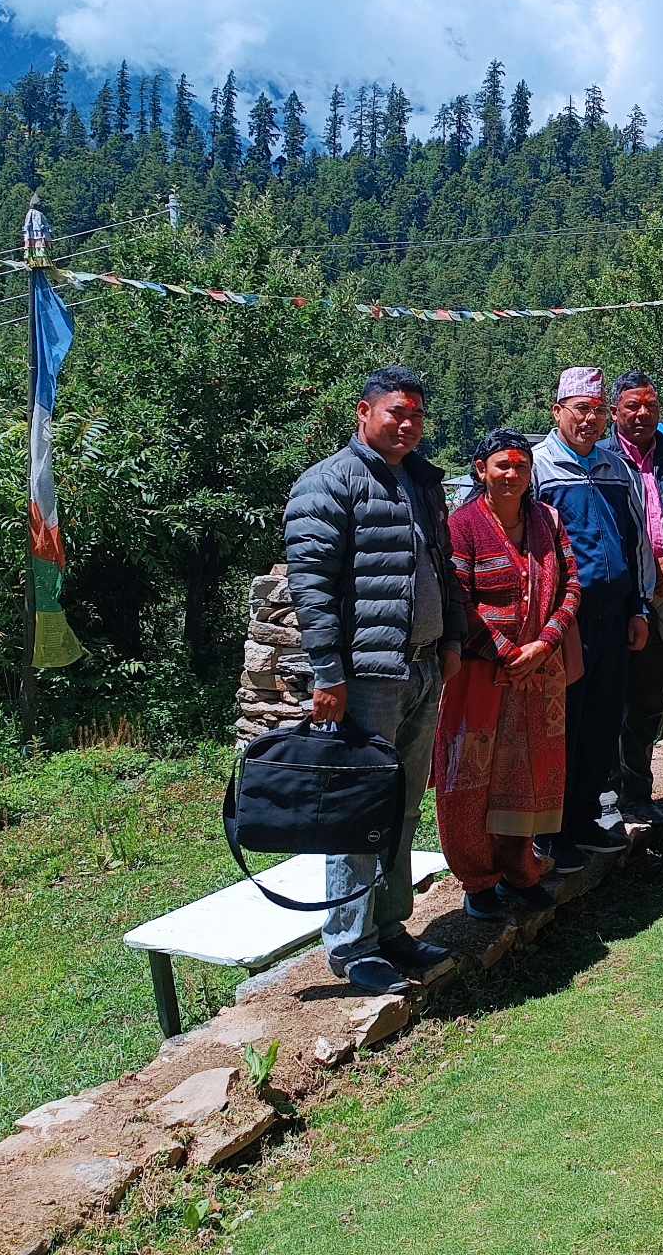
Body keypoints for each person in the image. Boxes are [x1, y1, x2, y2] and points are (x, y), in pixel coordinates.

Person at [285, 365, 466, 995]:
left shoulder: (421, 481)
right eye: (396, 412)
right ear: (364, 413)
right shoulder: (329, 484)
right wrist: (328, 674)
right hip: (365, 676)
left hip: (419, 666)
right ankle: (351, 944)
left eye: (416, 414)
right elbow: (311, 590)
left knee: (400, 804)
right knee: (357, 809)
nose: (408, 424)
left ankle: (391, 928)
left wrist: (451, 640)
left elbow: (440, 568)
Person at [436, 430, 579, 919]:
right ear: (481, 471)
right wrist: (504, 650)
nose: (513, 474)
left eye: (521, 465)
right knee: (471, 778)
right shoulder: (464, 526)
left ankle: (519, 871)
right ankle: (478, 883)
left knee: (531, 775)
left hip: (541, 673)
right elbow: (458, 600)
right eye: (502, 465)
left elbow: (571, 585)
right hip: (480, 676)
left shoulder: (546, 521)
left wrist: (545, 643)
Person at [532, 367, 653, 873]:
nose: (590, 419)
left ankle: (584, 818)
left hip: (613, 616)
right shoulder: (537, 467)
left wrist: (639, 607)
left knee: (603, 721)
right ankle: (549, 831)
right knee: (563, 723)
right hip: (565, 621)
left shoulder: (612, 466)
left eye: (598, 410)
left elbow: (636, 540)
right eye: (580, 409)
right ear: (558, 410)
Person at [609, 371, 663, 829]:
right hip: (615, 600)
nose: (642, 414)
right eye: (632, 407)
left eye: (650, 406)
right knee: (607, 702)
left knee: (647, 701)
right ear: (615, 412)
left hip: (661, 597)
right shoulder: (597, 459)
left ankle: (639, 795)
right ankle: (604, 797)